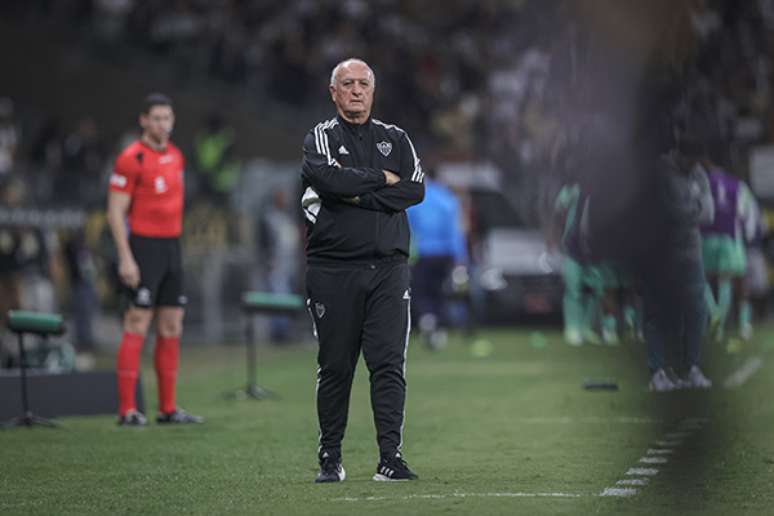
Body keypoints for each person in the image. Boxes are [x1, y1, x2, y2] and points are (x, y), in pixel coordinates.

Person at [301, 58, 424, 483]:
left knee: (389, 365)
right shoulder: (320, 137)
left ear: (374, 91)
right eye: (347, 83)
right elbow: (328, 181)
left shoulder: (397, 138)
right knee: (335, 367)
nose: (356, 90)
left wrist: (356, 192)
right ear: (332, 92)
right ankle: (330, 460)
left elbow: (415, 189)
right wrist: (380, 181)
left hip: (389, 268)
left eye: (363, 84)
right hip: (333, 270)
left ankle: (390, 458)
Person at [107, 93, 202, 426]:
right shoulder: (131, 159)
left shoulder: (176, 156)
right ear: (144, 121)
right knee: (137, 322)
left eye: (168, 118)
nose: (163, 124)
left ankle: (167, 408)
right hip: (143, 248)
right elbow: (116, 212)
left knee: (171, 325)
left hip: (172, 248)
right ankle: (127, 410)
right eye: (157, 118)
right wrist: (125, 257)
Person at [407, 170, 467, 350]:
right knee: (439, 291)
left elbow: (409, 229)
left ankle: (427, 319)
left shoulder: (417, 200)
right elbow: (455, 232)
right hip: (445, 253)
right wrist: (460, 256)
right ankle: (439, 328)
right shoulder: (449, 200)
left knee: (421, 291)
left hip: (422, 253)